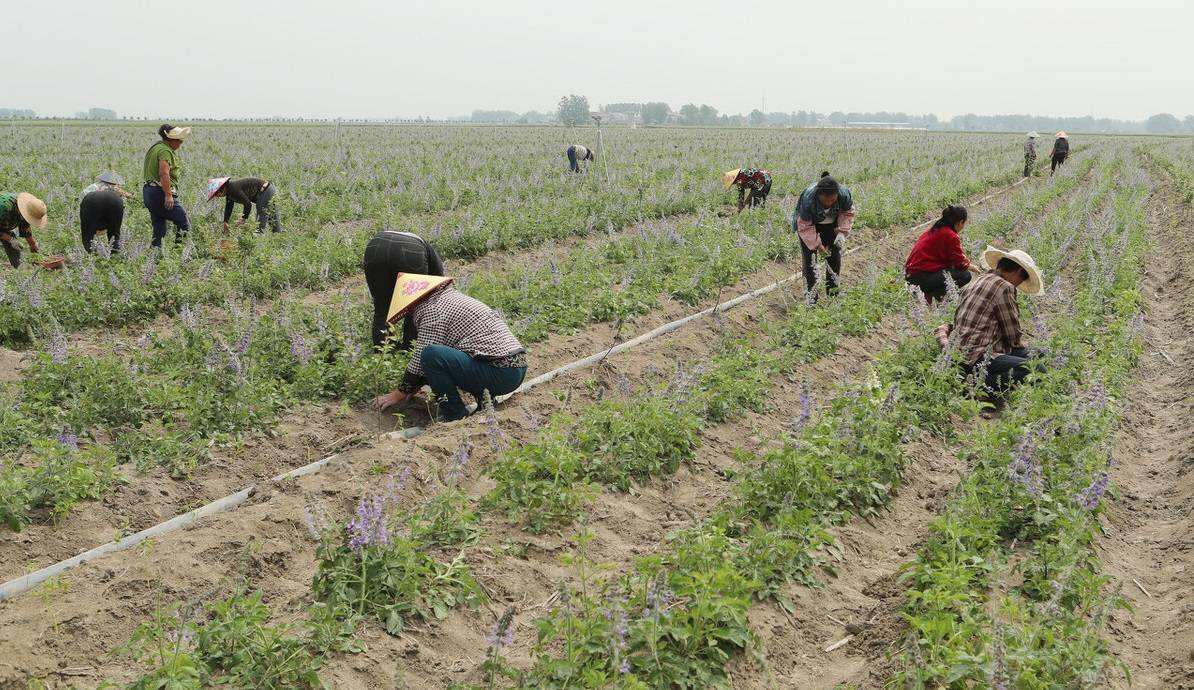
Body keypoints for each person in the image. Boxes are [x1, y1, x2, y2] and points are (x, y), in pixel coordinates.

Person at [369, 281, 527, 423]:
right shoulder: (449, 298)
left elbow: (422, 359)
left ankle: (455, 414)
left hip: (501, 373)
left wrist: (399, 394)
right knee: (451, 355)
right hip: (515, 368)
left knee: (431, 354)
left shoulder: (431, 310)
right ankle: (486, 402)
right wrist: (414, 386)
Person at [948, 247, 1045, 392]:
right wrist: (1023, 346)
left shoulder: (977, 281)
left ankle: (972, 377)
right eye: (1022, 279)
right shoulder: (1004, 286)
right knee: (1036, 368)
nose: (1018, 284)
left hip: (959, 352)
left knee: (1036, 354)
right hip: (979, 355)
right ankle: (976, 383)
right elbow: (1012, 336)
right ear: (1018, 272)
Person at [363, 230, 445, 349]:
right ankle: (408, 351)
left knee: (382, 310)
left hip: (376, 245)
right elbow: (439, 288)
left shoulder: (428, 250)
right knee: (415, 307)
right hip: (411, 250)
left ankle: (383, 355)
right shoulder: (436, 269)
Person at [794, 171, 855, 297]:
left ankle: (833, 295)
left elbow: (847, 213)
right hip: (810, 226)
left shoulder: (843, 194)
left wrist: (842, 233)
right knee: (810, 262)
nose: (829, 203)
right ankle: (811, 298)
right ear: (819, 195)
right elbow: (805, 225)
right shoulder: (809, 199)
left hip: (832, 225)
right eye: (825, 200)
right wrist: (817, 245)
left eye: (832, 200)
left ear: (837, 195)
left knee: (834, 257)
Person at [904, 205, 977, 304]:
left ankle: (930, 294)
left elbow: (952, 256)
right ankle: (935, 297)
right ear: (960, 222)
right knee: (965, 275)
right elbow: (958, 263)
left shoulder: (935, 230)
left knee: (955, 272)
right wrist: (971, 266)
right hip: (921, 277)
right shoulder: (951, 235)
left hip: (911, 275)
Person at [142, 124, 191, 247]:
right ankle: (179, 251)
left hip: (149, 192)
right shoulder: (165, 151)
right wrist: (168, 195)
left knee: (159, 226)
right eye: (179, 140)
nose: (180, 143)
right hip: (160, 193)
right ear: (171, 140)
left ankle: (155, 255)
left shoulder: (155, 148)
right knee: (183, 222)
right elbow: (164, 173)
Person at [206, 177, 284, 234]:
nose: (218, 196)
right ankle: (278, 238)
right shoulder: (229, 191)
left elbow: (248, 204)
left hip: (265, 191)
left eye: (217, 194)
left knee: (260, 224)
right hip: (268, 191)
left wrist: (243, 218)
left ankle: (257, 245)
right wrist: (225, 222)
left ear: (221, 190)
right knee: (273, 220)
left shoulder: (233, 188)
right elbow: (229, 207)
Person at [80, 171, 131, 253]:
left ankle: (91, 253)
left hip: (91, 202)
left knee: (88, 233)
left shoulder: (92, 186)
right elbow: (129, 196)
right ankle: (115, 253)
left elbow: (82, 200)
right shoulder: (115, 189)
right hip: (114, 203)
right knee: (114, 233)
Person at [0, 192, 46, 268]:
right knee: (10, 238)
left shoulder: (26, 208)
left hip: (3, 223)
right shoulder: (4, 208)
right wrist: (10, 239)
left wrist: (33, 244)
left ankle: (18, 268)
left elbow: (24, 225)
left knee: (11, 238)